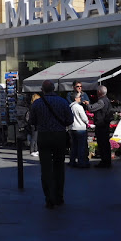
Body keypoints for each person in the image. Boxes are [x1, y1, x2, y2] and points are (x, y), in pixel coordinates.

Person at [29, 80, 73, 209]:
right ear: (54, 89)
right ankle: (59, 196)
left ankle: (49, 198)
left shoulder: (37, 103)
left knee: (46, 168)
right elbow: (70, 120)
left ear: (43, 89)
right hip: (59, 136)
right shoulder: (63, 102)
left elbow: (32, 121)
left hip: (44, 136)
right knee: (59, 167)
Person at [84, 85, 112, 168]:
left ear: (99, 92)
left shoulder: (101, 101)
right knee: (105, 144)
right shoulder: (107, 100)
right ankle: (107, 161)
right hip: (105, 125)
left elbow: (92, 108)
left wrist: (88, 104)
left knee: (102, 144)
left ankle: (104, 162)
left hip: (101, 125)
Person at [68, 92, 89, 169]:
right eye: (79, 97)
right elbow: (84, 118)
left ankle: (72, 161)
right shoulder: (79, 107)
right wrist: (87, 122)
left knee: (74, 146)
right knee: (81, 146)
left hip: (72, 128)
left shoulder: (70, 107)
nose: (80, 98)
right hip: (80, 128)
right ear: (76, 98)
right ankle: (81, 162)